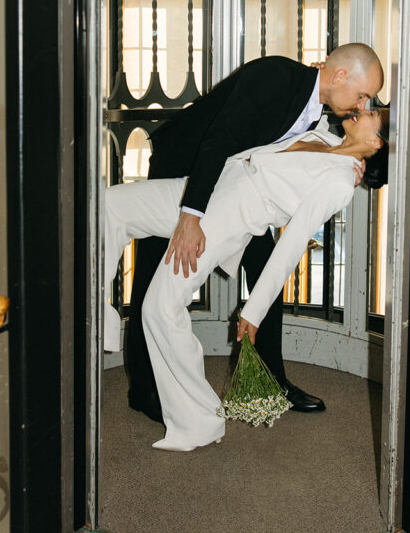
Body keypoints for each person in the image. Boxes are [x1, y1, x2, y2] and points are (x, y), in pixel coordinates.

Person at [122, 44, 384, 423]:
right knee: (153, 271)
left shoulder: (317, 115)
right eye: (362, 95)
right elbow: (219, 139)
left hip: (234, 193)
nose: (362, 105)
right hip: (185, 168)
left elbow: (290, 154)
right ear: (340, 76)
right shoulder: (276, 76)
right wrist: (191, 214)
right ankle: (144, 389)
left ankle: (272, 380)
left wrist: (349, 156)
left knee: (265, 270)